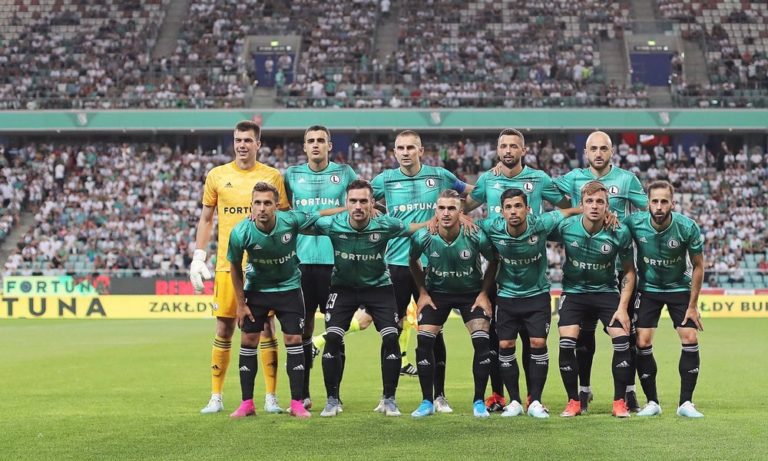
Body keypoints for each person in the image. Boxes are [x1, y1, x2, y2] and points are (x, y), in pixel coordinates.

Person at [466, 128, 568, 412]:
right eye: (503, 146)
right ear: (497, 151)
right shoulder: (487, 179)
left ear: (524, 150)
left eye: (513, 146)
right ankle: (500, 396)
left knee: (532, 341)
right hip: (499, 270)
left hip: (531, 268)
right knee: (499, 341)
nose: (508, 151)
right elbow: (466, 206)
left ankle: (532, 398)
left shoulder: (539, 179)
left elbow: (566, 205)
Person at [370, 130, 472, 413]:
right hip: (397, 264)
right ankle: (388, 397)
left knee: (434, 332)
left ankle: (439, 396)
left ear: (421, 150)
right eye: (400, 148)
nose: (405, 152)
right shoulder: (384, 180)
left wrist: (463, 213)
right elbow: (358, 199)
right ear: (394, 152)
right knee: (391, 331)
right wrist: (375, 212)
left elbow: (471, 192)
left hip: (433, 265)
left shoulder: (439, 176)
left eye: (410, 147)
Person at [192, 120, 289, 415]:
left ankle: (270, 396)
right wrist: (199, 256)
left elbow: (285, 218)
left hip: (263, 266)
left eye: (248, 140)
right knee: (224, 328)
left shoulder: (271, 176)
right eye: (238, 140)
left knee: (267, 328)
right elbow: (207, 218)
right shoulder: (217, 175)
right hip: (227, 265)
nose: (242, 145)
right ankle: (216, 396)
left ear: (258, 144)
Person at [311, 180, 430, 417]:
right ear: (346, 203)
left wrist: (438, 220)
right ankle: (332, 400)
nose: (358, 206)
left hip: (378, 287)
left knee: (391, 337)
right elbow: (301, 223)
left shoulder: (385, 224)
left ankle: (389, 399)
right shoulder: (332, 224)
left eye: (363, 201)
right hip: (343, 288)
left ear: (372, 203)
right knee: (333, 337)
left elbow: (412, 228)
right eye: (353, 201)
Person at [553, 130, 647, 412]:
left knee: (627, 335)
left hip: (618, 271)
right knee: (583, 336)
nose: (598, 153)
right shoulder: (573, 178)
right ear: (585, 152)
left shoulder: (627, 179)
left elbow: (646, 214)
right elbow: (543, 190)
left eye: (603, 148)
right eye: (593, 148)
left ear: (611, 152)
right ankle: (583, 391)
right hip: (584, 274)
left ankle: (628, 392)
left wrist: (622, 223)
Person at [477, 188, 582, 418]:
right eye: (508, 207)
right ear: (502, 211)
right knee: (505, 345)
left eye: (518, 206)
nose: (513, 211)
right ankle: (514, 401)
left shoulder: (541, 223)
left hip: (537, 295)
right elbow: (468, 224)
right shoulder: (492, 226)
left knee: (537, 343)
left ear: (527, 208)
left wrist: (597, 212)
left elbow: (569, 212)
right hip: (507, 296)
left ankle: (535, 401)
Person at [226, 183, 321, 419]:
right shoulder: (240, 232)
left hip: (289, 288)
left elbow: (320, 215)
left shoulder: (290, 220)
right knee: (248, 340)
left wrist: (347, 209)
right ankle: (247, 403)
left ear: (276, 206)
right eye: (257, 203)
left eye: (267, 203)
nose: (262, 208)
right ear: (251, 205)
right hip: (257, 290)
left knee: (294, 339)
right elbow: (234, 267)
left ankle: (297, 403)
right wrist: (241, 304)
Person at [284, 125, 357, 410]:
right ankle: (302, 395)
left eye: (321, 141)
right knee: (301, 331)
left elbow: (357, 205)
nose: (315, 145)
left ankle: (334, 395)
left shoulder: (345, 173)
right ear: (304, 146)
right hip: (300, 264)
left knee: (335, 330)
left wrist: (312, 216)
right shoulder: (291, 175)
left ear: (330, 145)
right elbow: (285, 214)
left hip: (335, 263)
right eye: (310, 141)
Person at [550, 181, 637, 418]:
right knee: (566, 341)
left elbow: (629, 271)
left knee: (622, 338)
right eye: (589, 201)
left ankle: (619, 402)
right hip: (574, 293)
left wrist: (622, 308)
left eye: (600, 202)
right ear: (582, 204)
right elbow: (536, 229)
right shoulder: (567, 227)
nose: (595, 206)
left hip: (606, 292)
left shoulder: (619, 231)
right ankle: (573, 401)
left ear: (608, 207)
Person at [408, 190, 497, 418]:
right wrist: (422, 293)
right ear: (435, 211)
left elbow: (494, 260)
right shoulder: (423, 236)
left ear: (460, 211)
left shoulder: (475, 234)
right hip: (437, 294)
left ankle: (479, 401)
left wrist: (484, 293)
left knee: (482, 341)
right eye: (442, 208)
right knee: (423, 341)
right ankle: (427, 401)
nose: (446, 213)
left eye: (451, 208)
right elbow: (412, 260)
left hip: (471, 294)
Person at [624, 181, 705, 417]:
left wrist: (693, 305)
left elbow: (699, 266)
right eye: (655, 201)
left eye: (664, 201)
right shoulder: (634, 223)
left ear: (673, 203)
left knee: (690, 337)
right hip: (648, 289)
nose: (659, 206)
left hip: (679, 288)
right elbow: (615, 228)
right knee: (642, 342)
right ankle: (652, 403)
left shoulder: (687, 227)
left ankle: (685, 403)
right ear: (647, 203)